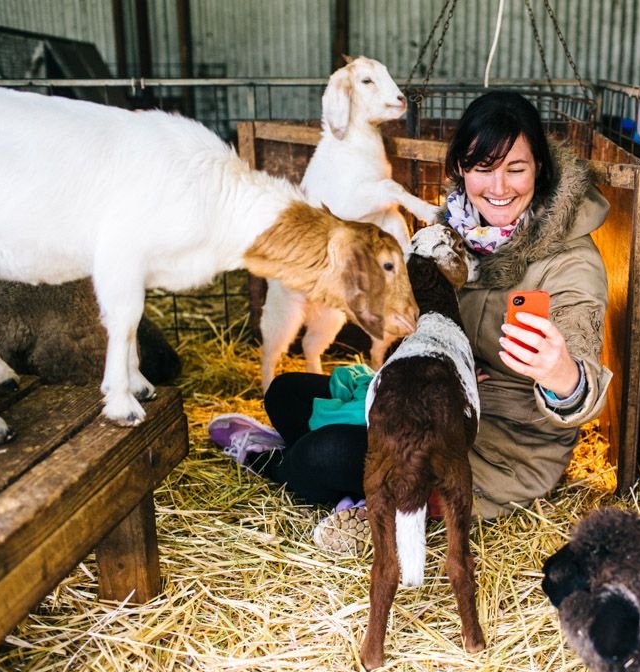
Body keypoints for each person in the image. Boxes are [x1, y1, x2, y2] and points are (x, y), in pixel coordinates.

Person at [209, 90, 613, 553]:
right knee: (286, 393)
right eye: (483, 167)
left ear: (538, 168)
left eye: (515, 169)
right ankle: (339, 474)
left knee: (320, 457)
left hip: (495, 448)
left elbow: (582, 389)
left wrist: (560, 374)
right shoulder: (452, 232)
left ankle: (276, 463)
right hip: (427, 401)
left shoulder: (571, 264)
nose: (499, 187)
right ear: (461, 168)